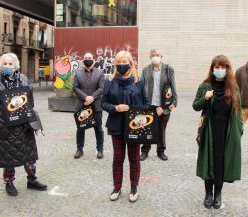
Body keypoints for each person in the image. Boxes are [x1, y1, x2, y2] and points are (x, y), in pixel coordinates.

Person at [0, 52, 47, 196]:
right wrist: (0, 116)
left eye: (10, 64)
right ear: (1, 65)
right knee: (8, 157)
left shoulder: (23, 79)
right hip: (5, 127)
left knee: (29, 155)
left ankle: (32, 180)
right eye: (5, 63)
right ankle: (9, 183)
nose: (8, 66)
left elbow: (30, 101)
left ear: (16, 65)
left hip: (24, 125)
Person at [192, 55, 243, 209]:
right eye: (217, 67)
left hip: (226, 131)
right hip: (209, 130)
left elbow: (238, 112)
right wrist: (205, 98)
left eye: (223, 67)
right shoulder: (205, 86)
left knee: (221, 163)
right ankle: (208, 193)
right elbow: (195, 106)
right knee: (209, 162)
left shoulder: (233, 88)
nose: (220, 70)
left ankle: (218, 194)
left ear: (227, 69)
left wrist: (239, 131)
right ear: (212, 69)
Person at [102, 50, 148, 202]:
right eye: (119, 62)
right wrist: (115, 108)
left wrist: (143, 119)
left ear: (130, 63)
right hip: (116, 125)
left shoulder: (138, 81)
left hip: (135, 126)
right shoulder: (110, 80)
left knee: (134, 158)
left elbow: (146, 103)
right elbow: (103, 103)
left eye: (124, 62)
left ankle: (134, 188)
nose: (122, 65)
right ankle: (117, 187)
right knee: (118, 158)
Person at [140, 49, 178, 161]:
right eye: (153, 55)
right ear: (150, 57)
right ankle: (145, 151)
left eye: (157, 55)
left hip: (163, 105)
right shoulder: (146, 70)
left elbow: (173, 86)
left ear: (161, 56)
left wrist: (174, 102)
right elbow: (141, 87)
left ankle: (160, 151)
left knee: (161, 129)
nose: (155, 57)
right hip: (149, 105)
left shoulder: (168, 69)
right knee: (147, 128)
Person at [73, 52, 105, 159]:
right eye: (86, 58)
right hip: (82, 105)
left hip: (96, 105)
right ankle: (79, 150)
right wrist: (85, 97)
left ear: (93, 59)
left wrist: (91, 97)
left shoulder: (100, 72)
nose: (88, 59)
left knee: (98, 128)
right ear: (83, 59)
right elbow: (75, 87)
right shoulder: (77, 72)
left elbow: (101, 88)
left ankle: (100, 150)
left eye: (89, 58)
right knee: (80, 128)